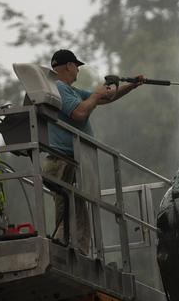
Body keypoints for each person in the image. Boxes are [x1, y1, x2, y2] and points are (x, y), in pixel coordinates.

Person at [45, 49, 143, 253]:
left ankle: (74, 250)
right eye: (77, 67)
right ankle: (67, 252)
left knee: (77, 212)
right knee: (70, 214)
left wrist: (131, 86)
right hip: (64, 161)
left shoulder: (71, 91)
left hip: (72, 161)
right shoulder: (58, 88)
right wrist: (97, 94)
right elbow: (80, 113)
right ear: (69, 65)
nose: (78, 71)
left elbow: (105, 99)